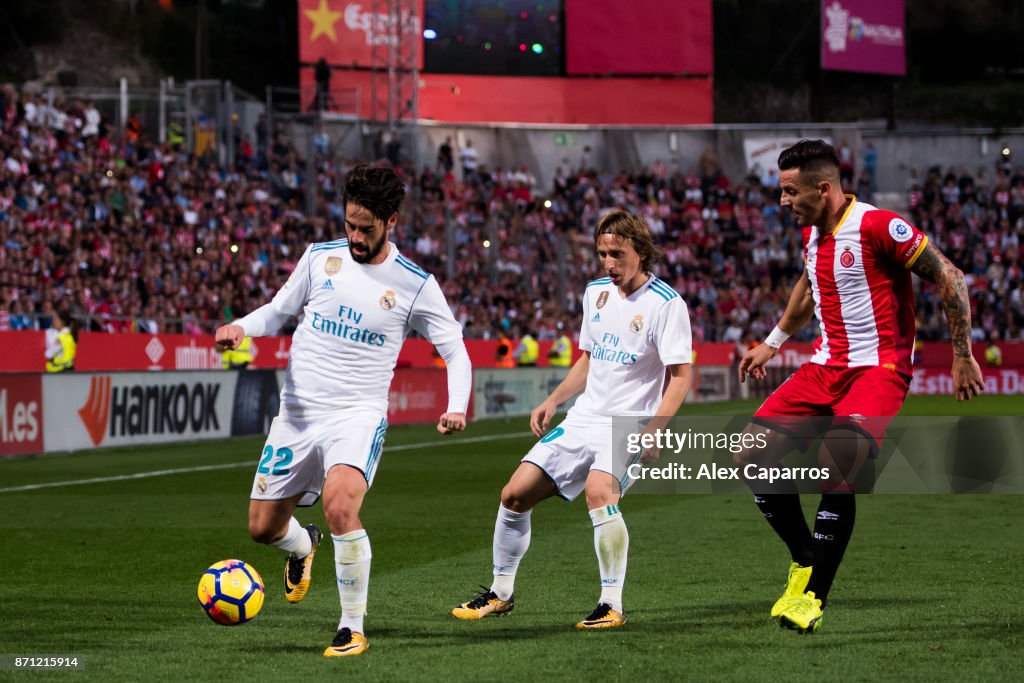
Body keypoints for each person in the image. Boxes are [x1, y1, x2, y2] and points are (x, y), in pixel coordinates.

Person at [215, 165, 472, 657]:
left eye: (366, 228)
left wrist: (455, 405)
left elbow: (455, 350)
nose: (355, 236)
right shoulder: (319, 258)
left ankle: (351, 626)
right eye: (349, 224)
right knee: (262, 527)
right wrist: (242, 328)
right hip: (297, 415)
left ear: (391, 222)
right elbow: (277, 310)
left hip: (357, 414)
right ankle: (301, 546)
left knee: (340, 505)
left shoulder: (415, 283)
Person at [736, 140, 985, 634]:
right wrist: (772, 342)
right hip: (823, 368)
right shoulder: (812, 233)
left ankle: (811, 598)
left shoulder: (877, 226)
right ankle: (805, 556)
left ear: (822, 188)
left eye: (790, 191)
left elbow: (950, 277)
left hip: (879, 370)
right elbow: (808, 288)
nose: (782, 201)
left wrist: (962, 353)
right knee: (748, 453)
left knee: (837, 462)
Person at [451, 209, 692, 629]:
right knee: (514, 494)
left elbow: (680, 377)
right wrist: (554, 399)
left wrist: (654, 431)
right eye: (602, 254)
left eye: (617, 254)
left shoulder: (666, 305)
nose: (608, 264)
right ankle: (501, 593)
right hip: (584, 417)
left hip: (628, 423)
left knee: (600, 491)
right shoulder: (595, 293)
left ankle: (611, 603)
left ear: (640, 250)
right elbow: (588, 359)